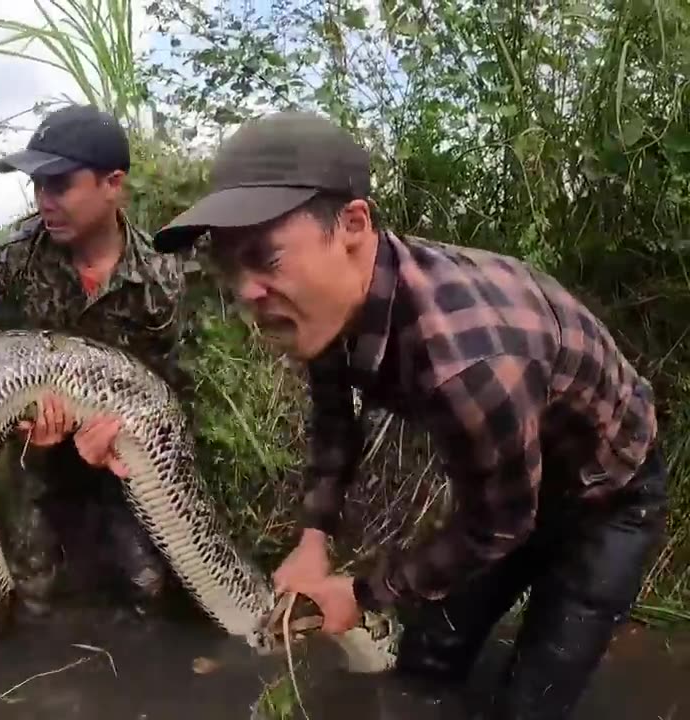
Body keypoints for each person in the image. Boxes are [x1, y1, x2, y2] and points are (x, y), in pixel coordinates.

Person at [150, 110, 668, 719]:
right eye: (231, 268)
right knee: (427, 659)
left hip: (605, 494)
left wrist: (363, 592)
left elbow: (500, 524)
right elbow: (335, 420)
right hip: (509, 472)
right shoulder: (332, 307)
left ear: (352, 224)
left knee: (532, 702)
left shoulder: (464, 362)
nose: (246, 292)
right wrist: (314, 536)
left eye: (267, 260)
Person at [0, 102, 193, 614]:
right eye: (37, 186)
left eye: (60, 184)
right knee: (32, 598)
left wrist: (117, 434)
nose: (44, 201)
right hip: (36, 452)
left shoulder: (160, 278)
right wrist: (30, 427)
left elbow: (173, 391)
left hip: (124, 457)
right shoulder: (13, 260)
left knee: (150, 588)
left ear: (112, 183)